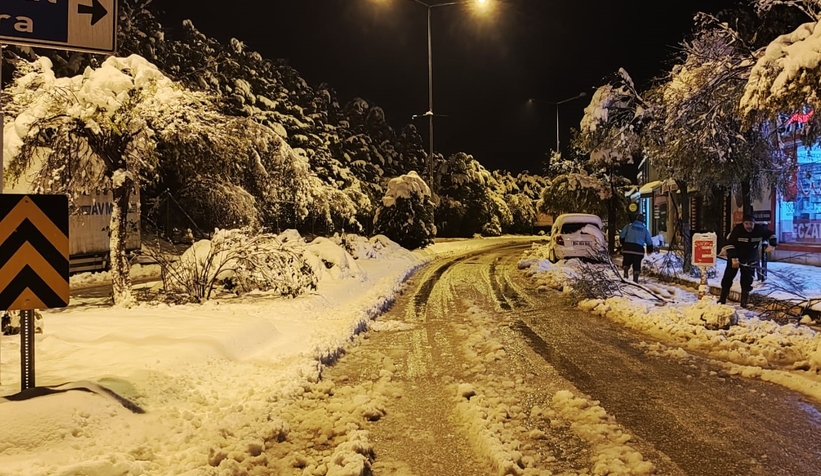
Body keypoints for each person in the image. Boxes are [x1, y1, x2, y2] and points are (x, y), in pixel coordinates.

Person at [719, 213, 776, 307]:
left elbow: (771, 234)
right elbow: (729, 244)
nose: (749, 226)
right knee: (728, 277)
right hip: (735, 257)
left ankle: (744, 302)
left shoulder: (759, 229)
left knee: (747, 280)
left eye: (751, 224)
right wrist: (734, 258)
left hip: (750, 258)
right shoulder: (738, 230)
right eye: (746, 224)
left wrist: (773, 244)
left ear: (754, 223)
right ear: (743, 223)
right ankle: (722, 300)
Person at [619, 213, 654, 283]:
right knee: (637, 264)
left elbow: (622, 235)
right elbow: (649, 241)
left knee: (626, 262)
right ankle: (635, 278)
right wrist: (650, 249)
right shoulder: (644, 230)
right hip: (638, 250)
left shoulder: (629, 226)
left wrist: (623, 243)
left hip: (628, 248)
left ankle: (625, 274)